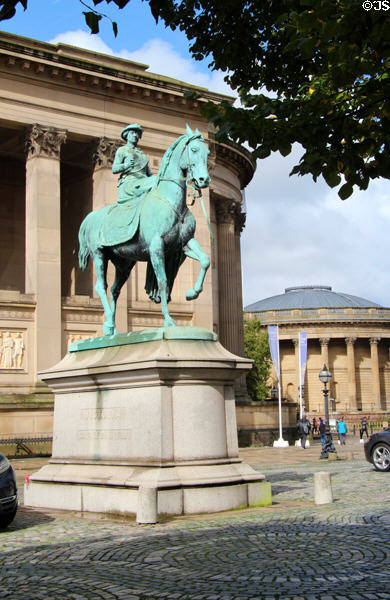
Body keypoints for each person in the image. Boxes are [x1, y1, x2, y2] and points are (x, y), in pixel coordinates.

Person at [112, 123, 154, 204]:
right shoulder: (122, 150)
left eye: (137, 133)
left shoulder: (141, 153)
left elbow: (149, 174)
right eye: (132, 133)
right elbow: (114, 169)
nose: (135, 135)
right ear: (127, 136)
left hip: (143, 181)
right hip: (129, 182)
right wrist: (125, 165)